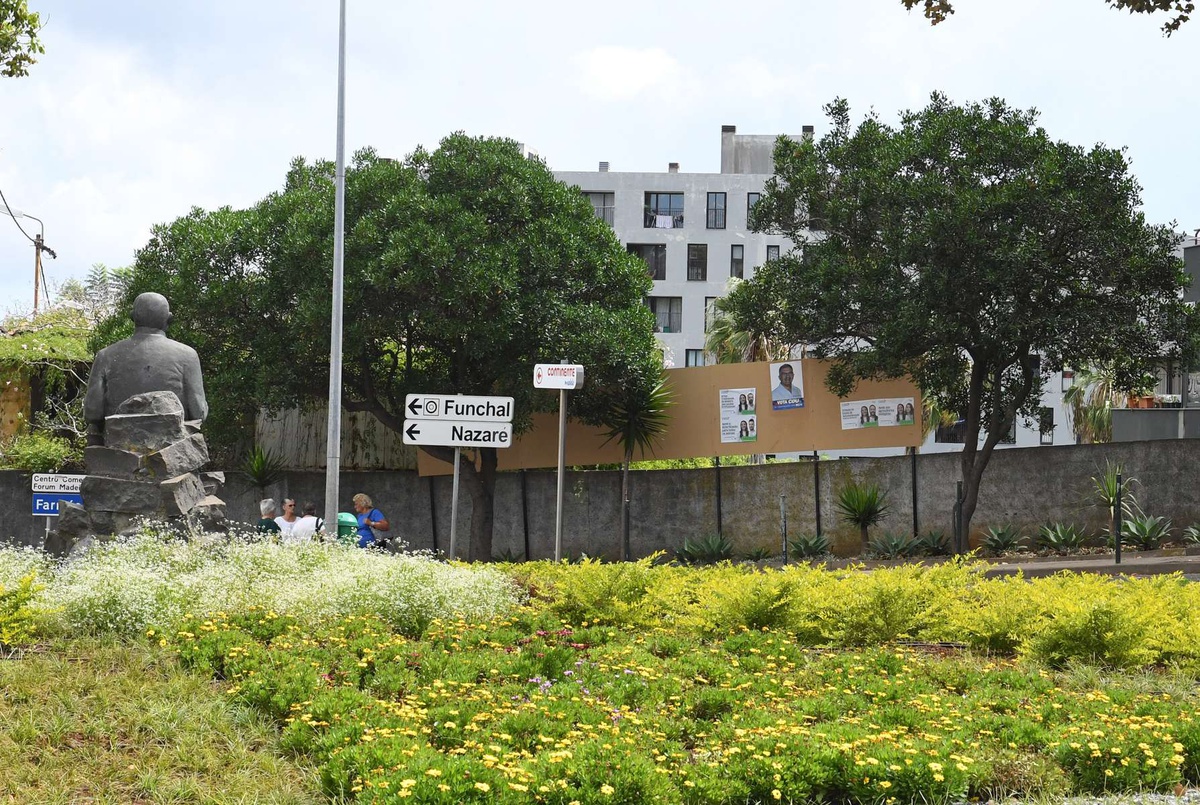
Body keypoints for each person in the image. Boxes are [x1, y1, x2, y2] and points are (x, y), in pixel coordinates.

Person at [83, 292, 208, 446]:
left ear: (132, 317)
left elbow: (92, 412)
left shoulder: (106, 355)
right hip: (172, 447)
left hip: (118, 446)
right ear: (168, 319)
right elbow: (198, 412)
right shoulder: (188, 355)